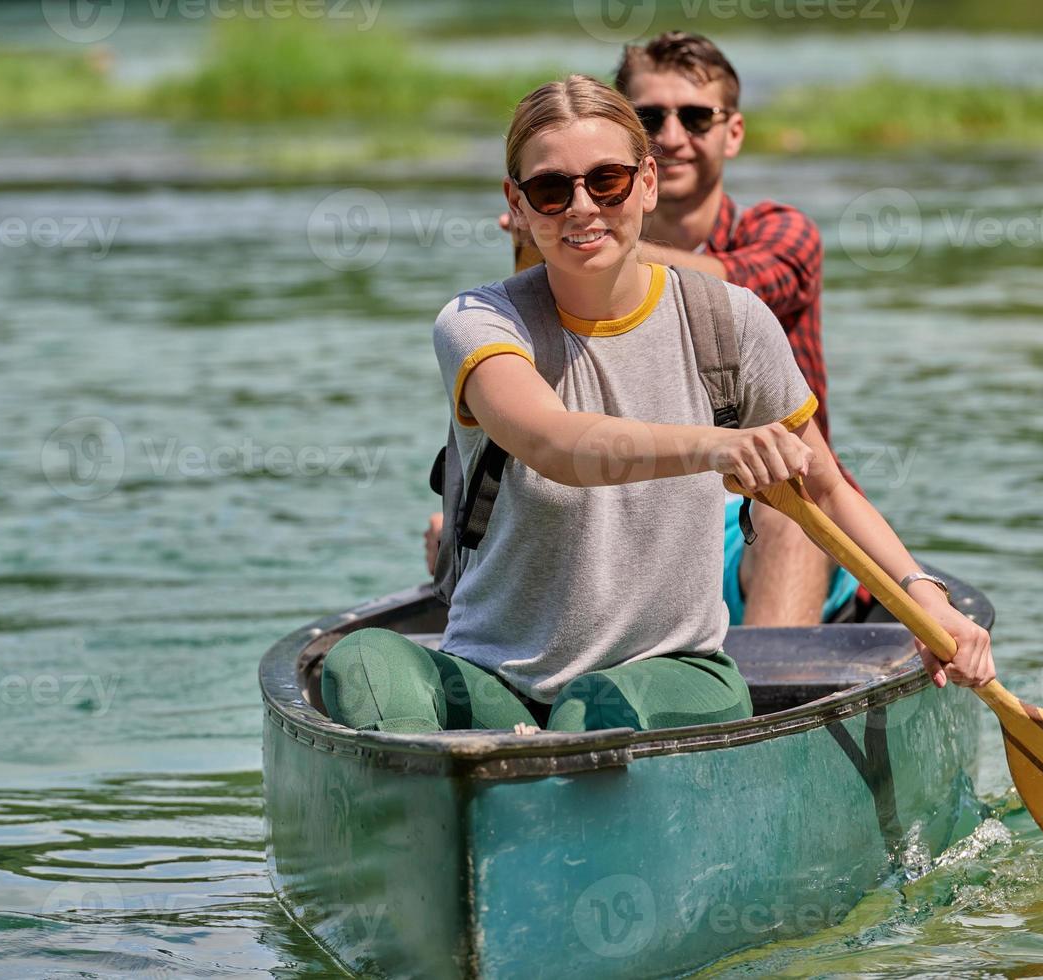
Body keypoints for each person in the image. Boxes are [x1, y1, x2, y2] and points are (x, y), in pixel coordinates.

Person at [331, 76, 993, 736]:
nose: (582, 208)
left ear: (647, 182)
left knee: (592, 712)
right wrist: (715, 445)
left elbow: (821, 488)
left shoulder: (729, 322)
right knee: (358, 663)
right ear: (519, 203)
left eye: (607, 181)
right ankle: (427, 806)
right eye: (552, 190)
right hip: (496, 679)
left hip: (673, 672)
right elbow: (556, 443)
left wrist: (923, 592)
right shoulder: (479, 320)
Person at [428, 32, 852, 629]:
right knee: (454, 526)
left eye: (697, 117)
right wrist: (571, 240)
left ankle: (762, 706)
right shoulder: (566, 237)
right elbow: (551, 402)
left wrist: (585, 237)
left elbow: (746, 283)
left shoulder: (779, 234)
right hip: (622, 492)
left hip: (757, 503)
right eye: (653, 118)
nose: (675, 137)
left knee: (787, 520)